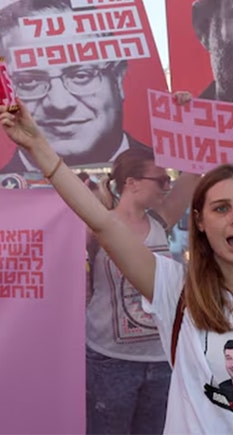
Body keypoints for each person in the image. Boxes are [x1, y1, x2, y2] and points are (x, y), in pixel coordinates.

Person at [0, 99, 233, 433]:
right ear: (200, 222)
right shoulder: (176, 290)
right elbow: (104, 223)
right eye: (221, 208)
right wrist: (39, 148)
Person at [84, 142, 199, 434]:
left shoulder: (161, 220)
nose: (167, 185)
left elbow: (196, 167)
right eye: (161, 179)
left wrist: (182, 113)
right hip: (109, 361)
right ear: (131, 183)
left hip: (161, 358)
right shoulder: (97, 226)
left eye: (169, 179)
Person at [0, 0, 139, 173]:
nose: (60, 104)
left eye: (81, 75)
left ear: (117, 77)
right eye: (29, 81)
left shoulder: (166, 170)